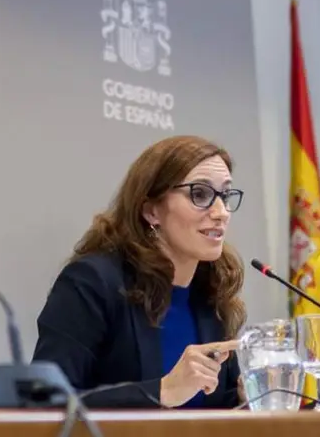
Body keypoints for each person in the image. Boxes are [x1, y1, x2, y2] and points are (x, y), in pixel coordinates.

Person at [32, 135, 247, 409]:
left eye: (225, 195)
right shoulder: (92, 283)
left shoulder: (213, 292)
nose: (222, 213)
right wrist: (161, 392)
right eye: (201, 194)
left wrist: (246, 400)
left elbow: (210, 407)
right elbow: (44, 401)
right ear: (151, 211)